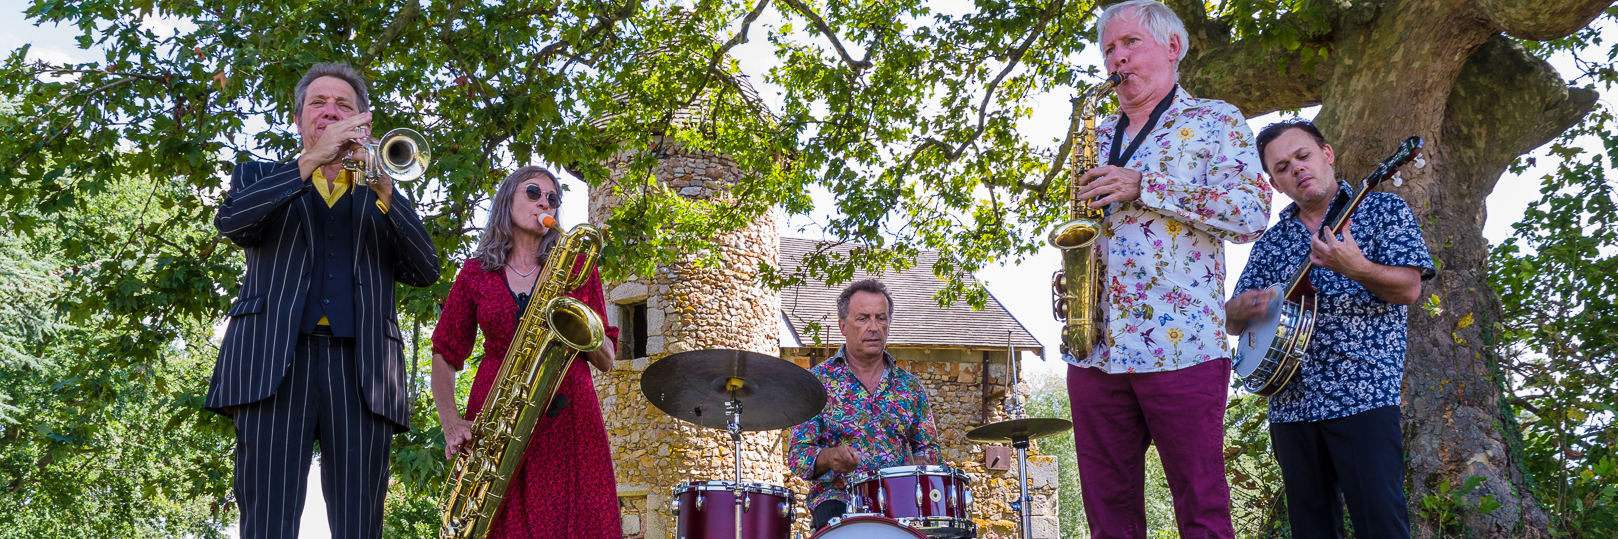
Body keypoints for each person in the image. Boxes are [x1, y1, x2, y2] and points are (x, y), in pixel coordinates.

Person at [1061, 1, 1272, 537]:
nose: (1116, 59)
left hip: (1179, 346)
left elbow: (1250, 215)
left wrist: (1144, 186)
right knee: (1107, 514)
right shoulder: (1100, 128)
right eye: (1109, 48)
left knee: (1200, 506)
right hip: (1095, 349)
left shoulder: (1214, 120)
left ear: (1172, 48)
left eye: (1130, 43)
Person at [209, 62, 440, 538]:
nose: (330, 112)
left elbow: (425, 270)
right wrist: (311, 161)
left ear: (364, 122)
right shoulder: (258, 175)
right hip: (272, 365)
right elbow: (233, 224)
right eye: (318, 103)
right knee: (266, 522)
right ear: (300, 120)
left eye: (343, 105)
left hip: (364, 373)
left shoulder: (383, 189)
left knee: (360, 524)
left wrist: (386, 192)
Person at [1226, 119, 1432, 539]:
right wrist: (1242, 307)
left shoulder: (1382, 211)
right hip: (1289, 403)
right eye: (1282, 168)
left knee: (1381, 524)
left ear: (1327, 155)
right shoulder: (1271, 243)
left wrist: (1356, 268)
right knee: (1310, 528)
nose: (1296, 169)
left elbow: (1410, 289)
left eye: (1303, 156)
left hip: (1362, 394)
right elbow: (1231, 321)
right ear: (1276, 184)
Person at [430, 166, 621, 538]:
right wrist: (451, 423)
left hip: (570, 420)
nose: (544, 202)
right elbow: (444, 353)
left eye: (553, 198)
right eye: (533, 193)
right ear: (507, 202)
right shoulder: (474, 273)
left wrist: (584, 327)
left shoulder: (577, 269)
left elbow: (608, 358)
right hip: (499, 417)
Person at [787, 279, 942, 531]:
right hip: (837, 497)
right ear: (842, 326)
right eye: (863, 318)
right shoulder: (816, 383)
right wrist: (829, 457)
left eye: (881, 318)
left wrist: (918, 464)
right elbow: (797, 456)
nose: (874, 327)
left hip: (900, 501)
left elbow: (931, 449)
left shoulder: (910, 387)